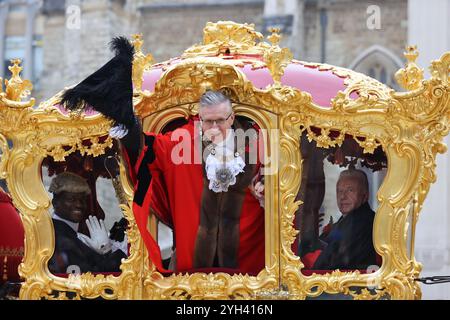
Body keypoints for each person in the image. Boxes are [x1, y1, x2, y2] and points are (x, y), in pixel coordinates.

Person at [60, 37, 265, 274]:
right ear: (200, 119)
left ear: (231, 117)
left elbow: (278, 184)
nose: (215, 127)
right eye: (208, 121)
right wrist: (128, 128)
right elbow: (151, 150)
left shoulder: (255, 143)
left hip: (252, 267)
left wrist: (263, 193)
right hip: (193, 268)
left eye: (221, 120)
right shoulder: (184, 139)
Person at [48, 172, 127, 274]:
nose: (79, 205)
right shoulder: (60, 237)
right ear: (55, 203)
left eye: (82, 200)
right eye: (71, 199)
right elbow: (90, 275)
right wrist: (113, 251)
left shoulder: (69, 233)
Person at [301, 169, 378, 270]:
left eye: (350, 190)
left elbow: (332, 263)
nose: (342, 197)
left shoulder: (363, 222)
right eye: (339, 191)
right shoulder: (345, 221)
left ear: (365, 195)